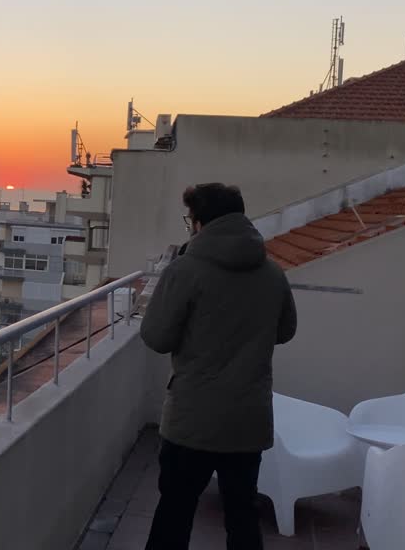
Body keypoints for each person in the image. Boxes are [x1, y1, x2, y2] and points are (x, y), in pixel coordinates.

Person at [141, 183, 297, 550]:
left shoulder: (184, 270)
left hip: (192, 419)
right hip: (248, 418)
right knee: (242, 516)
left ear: (200, 223)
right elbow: (285, 331)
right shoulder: (272, 273)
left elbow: (157, 337)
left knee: (175, 512)